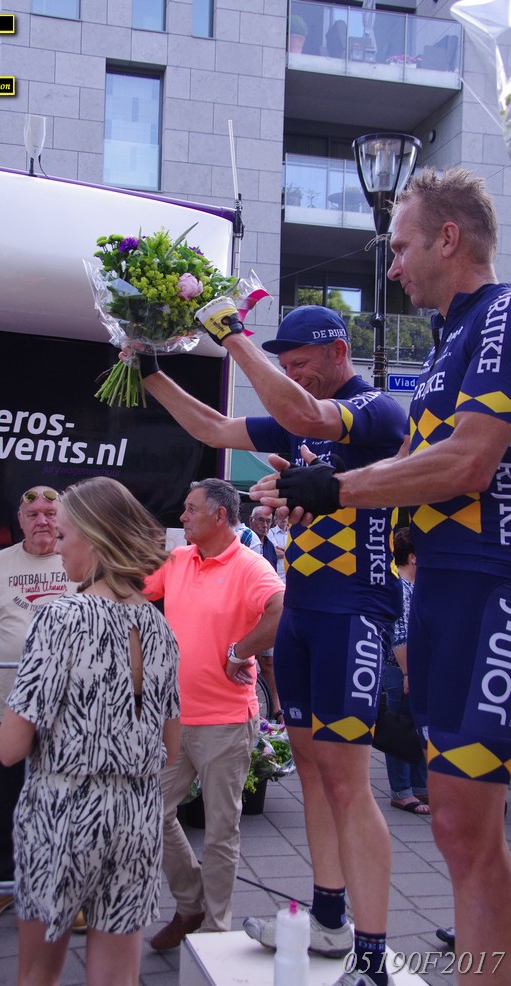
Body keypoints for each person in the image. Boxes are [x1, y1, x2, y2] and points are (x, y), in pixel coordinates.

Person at [252, 167, 511, 983]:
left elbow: (468, 461)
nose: (391, 267)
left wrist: (333, 488)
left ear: (447, 239)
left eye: (399, 248)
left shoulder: (500, 314)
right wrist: (310, 492)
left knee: (466, 830)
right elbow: (408, 468)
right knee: (457, 831)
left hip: (489, 589)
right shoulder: (445, 342)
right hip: (438, 592)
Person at [138, 304, 406, 986]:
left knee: (348, 784)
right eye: (282, 365)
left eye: (300, 364)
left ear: (339, 352)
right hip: (305, 612)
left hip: (354, 611)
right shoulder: (296, 416)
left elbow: (306, 414)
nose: (290, 376)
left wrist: (229, 331)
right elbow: (212, 428)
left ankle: (373, 957)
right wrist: (150, 373)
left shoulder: (373, 409)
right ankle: (328, 919)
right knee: (313, 773)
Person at [0, 477, 180, 986]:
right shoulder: (160, 626)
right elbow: (171, 747)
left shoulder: (59, 618)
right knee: (117, 977)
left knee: (37, 975)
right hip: (138, 815)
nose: (57, 547)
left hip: (63, 811)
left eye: (64, 535)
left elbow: (8, 748)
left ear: (94, 539)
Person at [145, 478, 283, 950]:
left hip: (226, 721)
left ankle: (214, 932)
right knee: (150, 810)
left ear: (219, 516)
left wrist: (239, 651)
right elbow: (132, 588)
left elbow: (282, 608)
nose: (181, 517)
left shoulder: (249, 565)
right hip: (175, 719)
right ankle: (191, 905)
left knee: (221, 831)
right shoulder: (179, 559)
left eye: (190, 509)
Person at [0, 485, 82, 927]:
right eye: (33, 514)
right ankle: (2, 882)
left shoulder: (77, 559)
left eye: (51, 513)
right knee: (7, 801)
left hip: (67, 710)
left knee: (66, 800)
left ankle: (69, 890)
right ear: (20, 520)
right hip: (6, 706)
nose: (42, 521)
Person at [384, 527, 429, 816]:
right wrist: (407, 674)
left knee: (418, 725)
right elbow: (399, 636)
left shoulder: (414, 586)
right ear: (413, 557)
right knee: (400, 727)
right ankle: (401, 791)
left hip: (413, 668)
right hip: (400, 669)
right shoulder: (400, 587)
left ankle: (420, 785)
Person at [249, 505, 283, 722]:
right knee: (249, 661)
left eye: (268, 521)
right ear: (251, 521)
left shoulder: (269, 546)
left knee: (269, 662)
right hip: (249, 611)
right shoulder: (246, 540)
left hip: (265, 611)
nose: (264, 525)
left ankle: (275, 709)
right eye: (260, 520)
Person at [267, 505, 290, 581]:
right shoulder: (270, 532)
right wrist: (291, 552)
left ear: (288, 518)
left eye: (285, 516)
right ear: (276, 519)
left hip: (290, 574)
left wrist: (284, 551)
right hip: (277, 575)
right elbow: (275, 553)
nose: (283, 518)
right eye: (281, 516)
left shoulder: (292, 533)